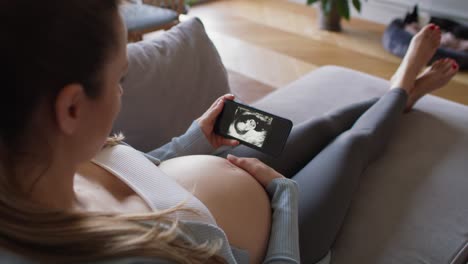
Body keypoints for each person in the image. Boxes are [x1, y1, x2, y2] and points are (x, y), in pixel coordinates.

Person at [0, 1, 459, 264]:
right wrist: (282, 198)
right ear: (72, 108)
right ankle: (401, 86)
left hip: (219, 165)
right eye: (121, 79)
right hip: (288, 225)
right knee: (353, 145)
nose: (122, 93)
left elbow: (138, 175)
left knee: (320, 125)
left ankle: (401, 94)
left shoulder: (42, 157)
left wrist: (194, 138)